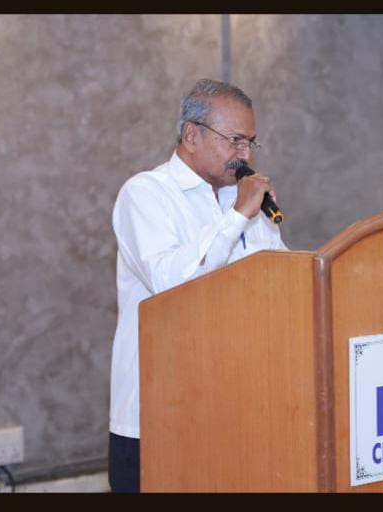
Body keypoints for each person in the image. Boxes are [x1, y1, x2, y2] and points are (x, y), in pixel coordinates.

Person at [108, 78, 287, 492]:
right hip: (158, 420)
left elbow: (282, 282)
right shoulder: (146, 194)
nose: (245, 155)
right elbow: (171, 283)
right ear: (191, 135)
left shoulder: (242, 203)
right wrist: (238, 216)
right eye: (235, 141)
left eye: (250, 143)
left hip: (237, 413)